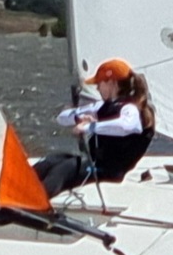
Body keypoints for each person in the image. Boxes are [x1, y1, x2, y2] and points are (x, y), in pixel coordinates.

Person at [32, 58, 155, 198]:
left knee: (65, 169)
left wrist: (90, 127)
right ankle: (18, 194)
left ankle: (37, 201)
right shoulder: (101, 106)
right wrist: (79, 118)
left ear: (112, 83)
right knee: (51, 161)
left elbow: (127, 126)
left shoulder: (130, 109)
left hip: (110, 171)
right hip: (96, 165)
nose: (97, 88)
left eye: (99, 83)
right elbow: (62, 117)